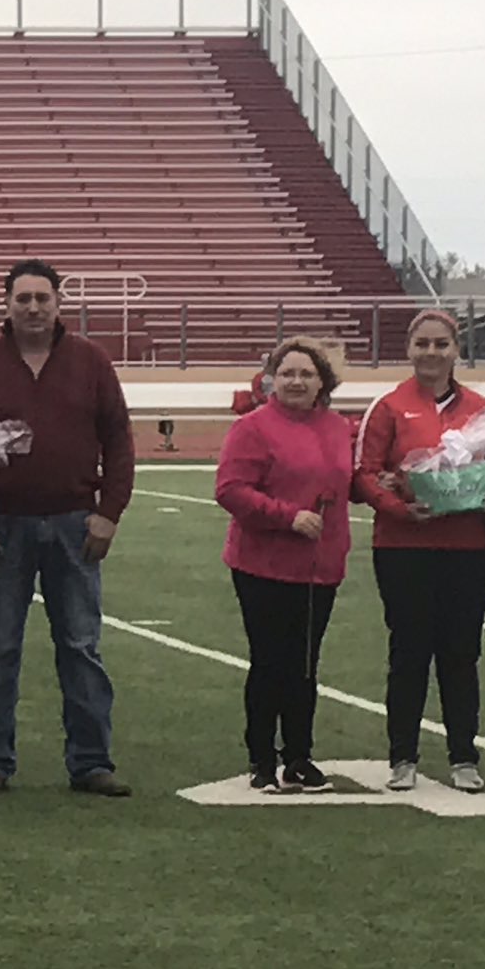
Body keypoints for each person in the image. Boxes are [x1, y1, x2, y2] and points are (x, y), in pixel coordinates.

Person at [0, 259, 134, 797]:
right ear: (6, 304)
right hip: (3, 526)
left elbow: (119, 440)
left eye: (41, 298)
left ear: (58, 303)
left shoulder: (91, 361)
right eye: (22, 299)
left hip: (76, 524)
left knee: (80, 645)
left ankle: (92, 761)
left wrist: (109, 512)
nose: (32, 307)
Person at [353, 307, 485, 793]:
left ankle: (463, 757)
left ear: (456, 350)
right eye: (422, 344)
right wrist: (399, 508)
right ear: (408, 350)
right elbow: (364, 475)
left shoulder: (481, 408)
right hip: (403, 546)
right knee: (408, 650)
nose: (431, 352)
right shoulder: (388, 407)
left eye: (441, 344)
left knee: (461, 653)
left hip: (469, 547)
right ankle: (402, 756)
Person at [215, 337, 354, 794]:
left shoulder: (338, 427)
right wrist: (287, 516)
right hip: (263, 564)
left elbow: (349, 482)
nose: (296, 381)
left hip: (321, 565)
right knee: (270, 661)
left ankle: (299, 756)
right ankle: (261, 757)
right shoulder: (253, 428)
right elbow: (231, 489)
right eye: (288, 373)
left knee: (306, 666)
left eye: (306, 374)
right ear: (272, 378)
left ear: (322, 381)